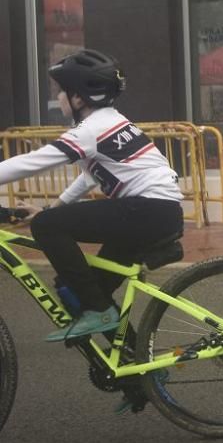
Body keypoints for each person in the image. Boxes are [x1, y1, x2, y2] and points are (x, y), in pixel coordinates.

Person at [0, 49, 183, 342]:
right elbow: (90, 176)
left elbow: (32, 162)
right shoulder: (113, 121)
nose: (58, 97)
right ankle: (138, 379)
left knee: (47, 227)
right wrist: (53, 206)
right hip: (157, 213)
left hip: (146, 211)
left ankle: (99, 311)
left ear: (79, 98)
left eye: (61, 91)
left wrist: (48, 216)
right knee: (84, 290)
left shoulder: (90, 130)